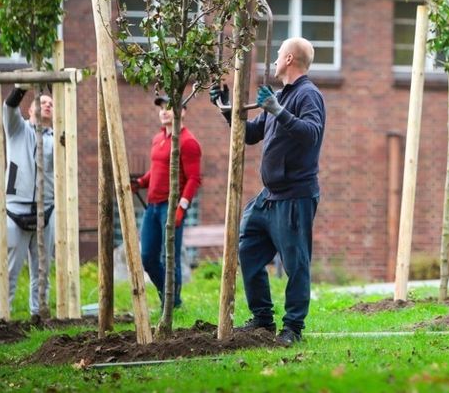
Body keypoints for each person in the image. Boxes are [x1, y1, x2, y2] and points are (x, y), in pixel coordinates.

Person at [211, 37, 326, 347]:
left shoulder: (308, 96)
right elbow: (250, 135)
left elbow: (311, 134)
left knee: (296, 264)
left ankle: (293, 328)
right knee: (246, 248)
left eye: (278, 55)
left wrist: (279, 112)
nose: (275, 60)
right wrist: (224, 108)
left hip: (295, 195)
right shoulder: (279, 96)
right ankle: (263, 318)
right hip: (269, 196)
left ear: (289, 59)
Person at [131, 94, 202, 310]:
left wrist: (181, 207)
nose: (164, 111)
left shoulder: (188, 142)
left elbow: (194, 179)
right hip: (152, 207)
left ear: (182, 112)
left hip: (171, 208)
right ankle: (169, 297)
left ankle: (171, 304)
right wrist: (141, 182)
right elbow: (157, 169)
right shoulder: (158, 138)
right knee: (148, 257)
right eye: (161, 107)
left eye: (169, 107)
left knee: (170, 257)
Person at [0, 84, 54, 321]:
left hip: (46, 208)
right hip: (16, 209)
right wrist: (21, 88)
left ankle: (39, 314)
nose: (47, 105)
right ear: (29, 110)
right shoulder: (17, 130)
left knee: (42, 270)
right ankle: (1, 316)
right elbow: (8, 107)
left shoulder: (57, 137)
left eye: (50, 104)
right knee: (10, 268)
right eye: (42, 101)